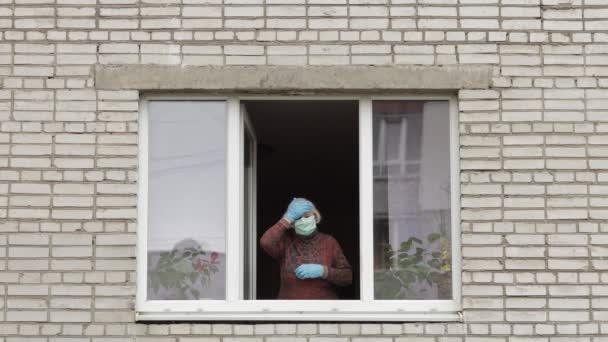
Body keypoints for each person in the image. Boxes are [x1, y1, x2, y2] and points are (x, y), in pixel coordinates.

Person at [260, 197, 352, 299]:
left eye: (307, 216)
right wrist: (287, 218)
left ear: (315, 217)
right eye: (298, 218)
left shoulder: (329, 242)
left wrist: (323, 271)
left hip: (323, 309)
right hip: (289, 309)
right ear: (292, 223)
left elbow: (347, 277)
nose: (303, 220)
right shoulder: (285, 242)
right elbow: (266, 242)